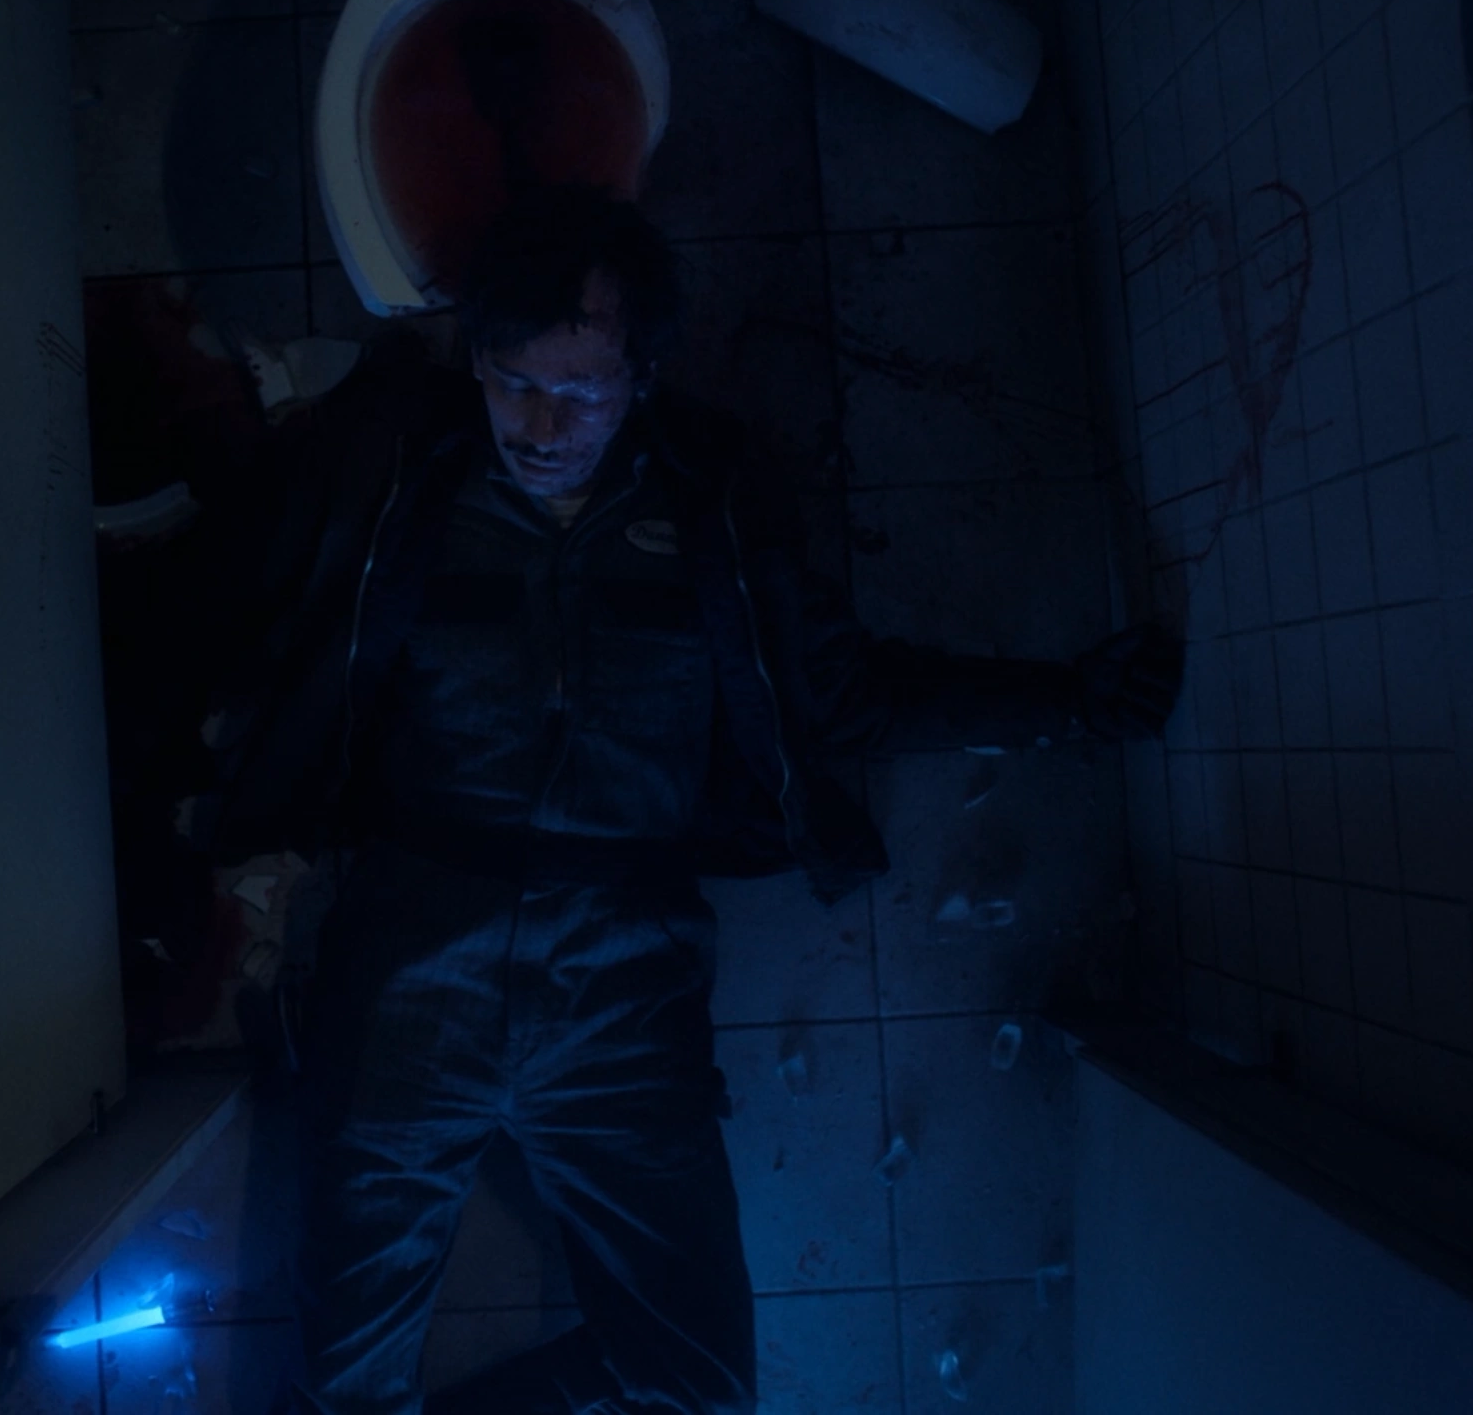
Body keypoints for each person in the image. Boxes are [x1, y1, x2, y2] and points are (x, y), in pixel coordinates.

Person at [190, 188, 1178, 1415]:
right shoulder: (406, 471)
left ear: (642, 378)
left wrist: (1069, 701)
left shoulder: (710, 499)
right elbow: (242, 601)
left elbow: (844, 694)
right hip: (409, 959)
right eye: (512, 382)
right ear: (474, 362)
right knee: (343, 1388)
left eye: (581, 391)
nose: (541, 426)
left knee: (695, 1395)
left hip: (622, 980)